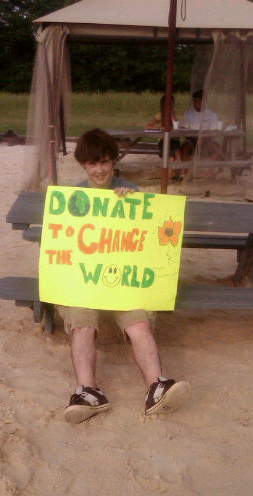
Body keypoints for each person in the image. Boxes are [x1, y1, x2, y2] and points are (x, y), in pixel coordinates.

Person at [59, 129, 191, 424]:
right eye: (93, 163)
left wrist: (134, 203)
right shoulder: (75, 198)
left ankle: (156, 386)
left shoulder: (130, 191)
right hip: (86, 280)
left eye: (105, 162)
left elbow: (149, 238)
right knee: (81, 323)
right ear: (83, 165)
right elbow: (64, 243)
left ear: (113, 162)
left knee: (138, 322)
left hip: (124, 279)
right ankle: (87, 392)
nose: (100, 169)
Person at [181, 89, 223, 170]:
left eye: (196, 101)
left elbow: (214, 132)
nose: (194, 103)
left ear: (203, 102)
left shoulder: (212, 114)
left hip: (206, 141)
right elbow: (184, 130)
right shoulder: (188, 114)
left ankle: (209, 172)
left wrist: (204, 139)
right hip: (191, 141)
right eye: (193, 101)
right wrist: (194, 138)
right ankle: (186, 171)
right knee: (185, 147)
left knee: (217, 147)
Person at [146, 94, 182, 181]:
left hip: (173, 139)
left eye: (173, 105)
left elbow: (176, 125)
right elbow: (148, 126)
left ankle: (179, 174)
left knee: (178, 155)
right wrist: (159, 127)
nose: (172, 107)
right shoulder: (160, 115)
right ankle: (167, 178)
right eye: (170, 105)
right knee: (171, 157)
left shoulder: (173, 114)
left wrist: (174, 117)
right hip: (164, 140)